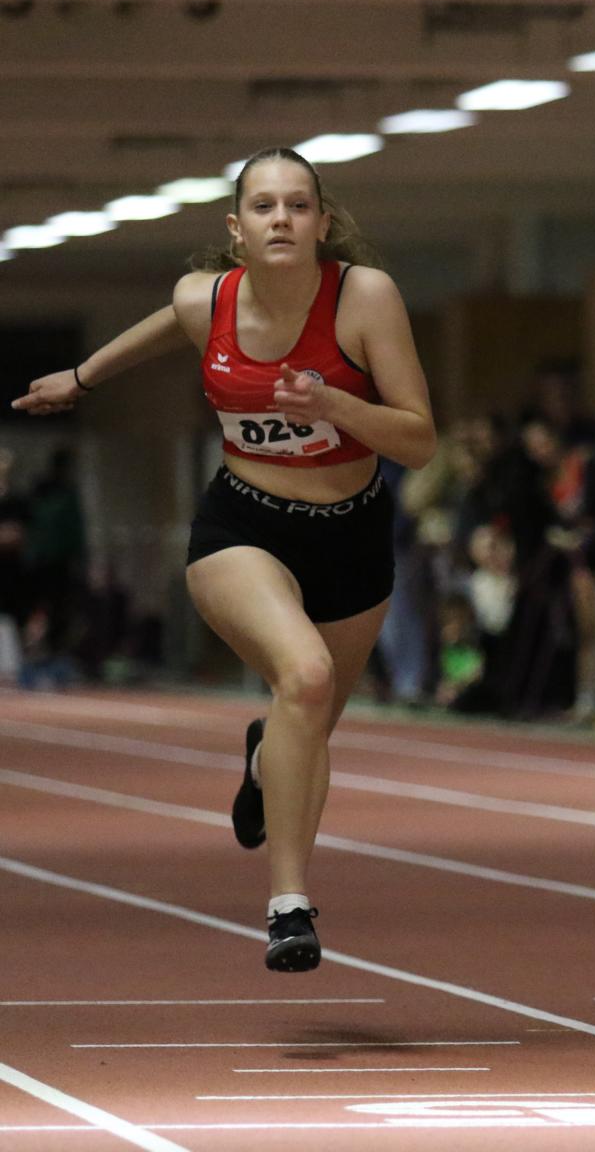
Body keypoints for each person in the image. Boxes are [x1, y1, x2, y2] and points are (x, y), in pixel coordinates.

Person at [13, 146, 435, 972]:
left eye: (298, 205)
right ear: (236, 229)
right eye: (265, 206)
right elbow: (170, 322)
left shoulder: (364, 298)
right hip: (245, 527)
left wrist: (335, 404)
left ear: (321, 223)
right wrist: (83, 377)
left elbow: (418, 441)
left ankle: (262, 756)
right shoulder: (205, 299)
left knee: (306, 726)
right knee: (305, 677)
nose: (282, 219)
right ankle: (289, 907)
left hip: (352, 536)